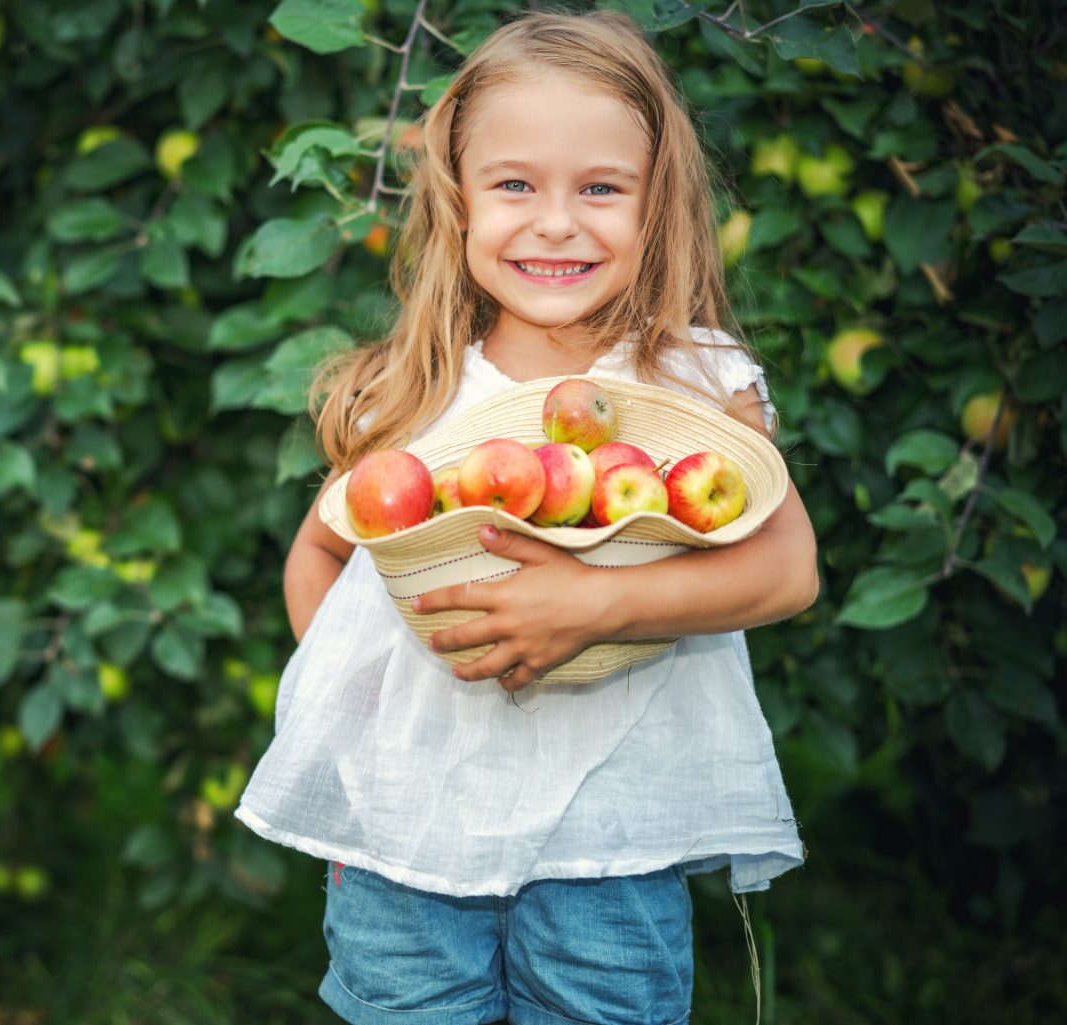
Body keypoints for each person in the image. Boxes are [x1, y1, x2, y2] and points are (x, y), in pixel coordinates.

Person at [235, 9, 819, 1025]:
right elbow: (321, 554)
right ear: (459, 203)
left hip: (609, 841)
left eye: (600, 188)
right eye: (515, 185)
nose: (556, 222)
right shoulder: (410, 394)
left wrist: (595, 604)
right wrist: (357, 715)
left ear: (658, 206)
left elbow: (786, 570)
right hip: (407, 842)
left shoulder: (690, 385)